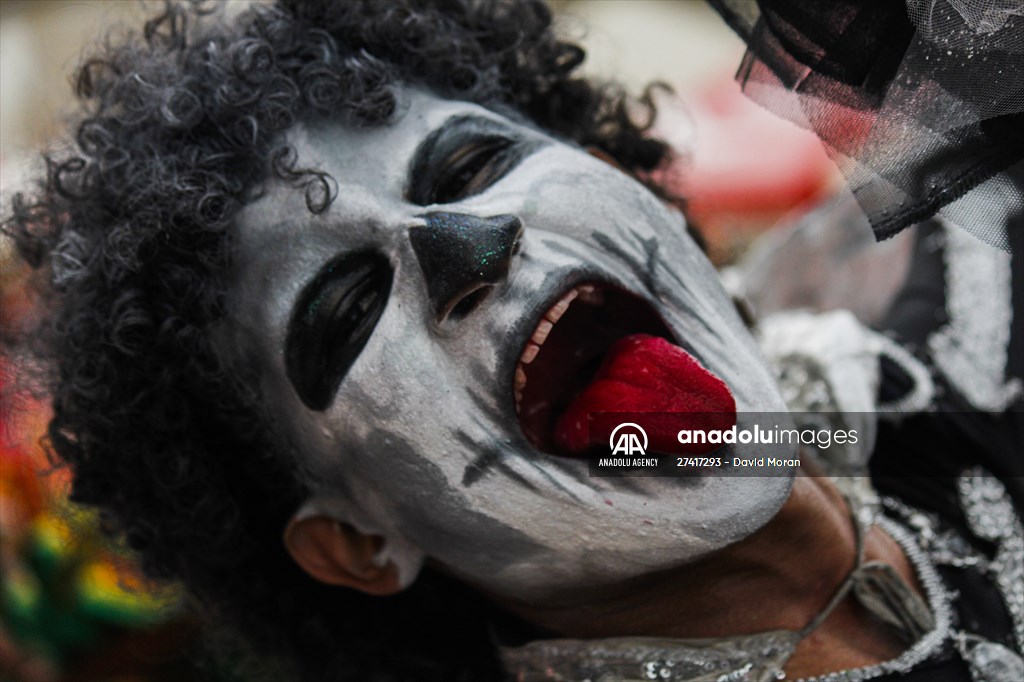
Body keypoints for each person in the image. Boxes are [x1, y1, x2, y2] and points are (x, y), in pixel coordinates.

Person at [2, 2, 1020, 681]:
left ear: (618, 179)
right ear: (359, 543)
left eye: (470, 163)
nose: (467, 246)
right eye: (346, 309)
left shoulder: (967, 289)